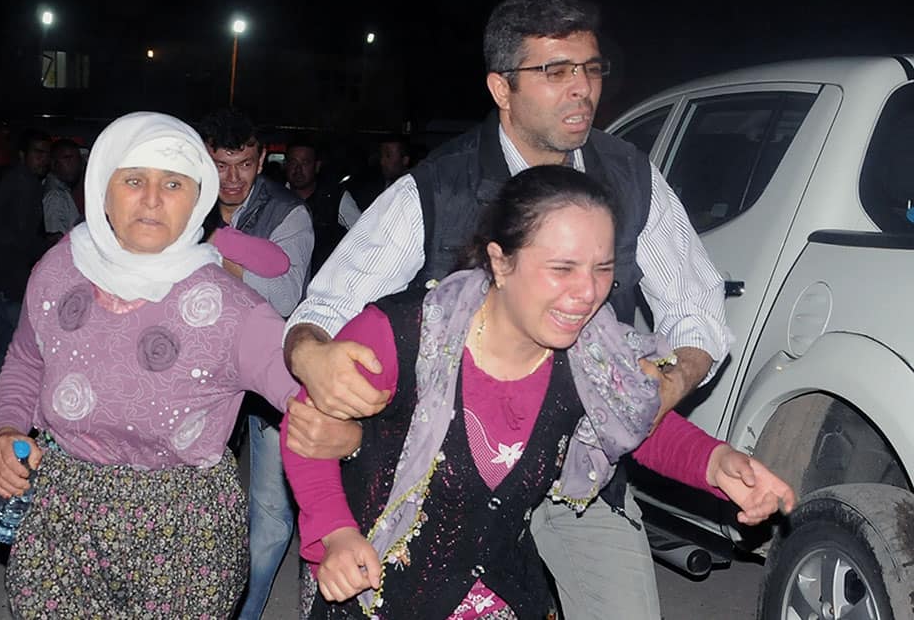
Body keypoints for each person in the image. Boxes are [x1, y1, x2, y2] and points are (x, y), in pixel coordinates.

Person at [282, 0, 735, 618]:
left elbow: (698, 307)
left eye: (590, 68)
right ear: (502, 87)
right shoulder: (434, 189)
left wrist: (668, 381)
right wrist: (314, 362)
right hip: (446, 465)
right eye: (555, 71)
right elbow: (326, 312)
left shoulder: (632, 178)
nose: (581, 89)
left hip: (578, 457)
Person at [283, 167, 794, 618]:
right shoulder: (404, 333)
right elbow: (304, 430)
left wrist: (717, 463)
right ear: (500, 263)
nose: (588, 292)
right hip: (372, 585)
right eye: (562, 268)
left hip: (499, 591)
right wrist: (335, 531)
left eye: (602, 268)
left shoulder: (592, 358)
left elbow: (635, 422)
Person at [0, 112, 300, 618]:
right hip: (62, 515)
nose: (152, 199)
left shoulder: (229, 307)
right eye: (133, 180)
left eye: (173, 183)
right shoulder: (60, 269)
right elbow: (25, 360)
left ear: (197, 197)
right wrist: (5, 432)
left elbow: (308, 401)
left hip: (184, 531)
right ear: (102, 187)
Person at [196, 108, 314, 619]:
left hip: (271, 374)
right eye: (220, 165)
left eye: (244, 163)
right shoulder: (184, 201)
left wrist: (214, 256)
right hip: (202, 375)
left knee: (270, 512)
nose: (232, 179)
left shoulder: (290, 212)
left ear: (263, 158)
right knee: (193, 500)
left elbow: (284, 292)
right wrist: (237, 264)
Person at [0, 128, 51, 380]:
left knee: (7, 346)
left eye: (46, 154)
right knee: (19, 351)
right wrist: (55, 245)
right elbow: (23, 239)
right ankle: (10, 408)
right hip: (10, 279)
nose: (43, 159)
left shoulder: (17, 181)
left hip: (0, 276)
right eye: (38, 153)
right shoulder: (24, 185)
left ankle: (4, 406)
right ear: (23, 155)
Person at [285, 137, 347, 275]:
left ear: (317, 166)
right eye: (293, 162)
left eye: (305, 163)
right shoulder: (274, 199)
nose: (298, 170)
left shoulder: (336, 198)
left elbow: (363, 235)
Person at [338, 136, 410, 229]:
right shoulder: (371, 188)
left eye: (388, 155)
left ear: (405, 160)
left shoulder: (412, 193)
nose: (383, 161)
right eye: (382, 155)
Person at [42, 138, 84, 240]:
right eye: (67, 158)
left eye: (77, 159)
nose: (74, 164)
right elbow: (55, 240)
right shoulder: (55, 196)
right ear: (53, 163)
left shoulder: (64, 190)